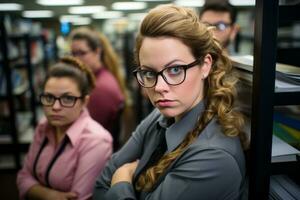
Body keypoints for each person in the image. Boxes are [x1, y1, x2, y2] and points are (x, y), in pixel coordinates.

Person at [93, 4, 249, 200]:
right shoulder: (162, 115)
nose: (159, 87)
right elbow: (99, 186)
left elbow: (110, 179)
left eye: (175, 70)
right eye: (149, 73)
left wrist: (122, 178)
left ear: (205, 66)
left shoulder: (214, 159)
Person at [17, 56, 113, 200]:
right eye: (49, 98)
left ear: (84, 102)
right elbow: (23, 177)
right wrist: (50, 195)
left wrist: (34, 190)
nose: (55, 107)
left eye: (67, 99)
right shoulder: (44, 126)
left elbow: (77, 198)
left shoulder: (97, 140)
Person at [70, 27, 129, 146]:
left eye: (82, 53)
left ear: (97, 52)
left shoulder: (100, 89)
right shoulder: (97, 79)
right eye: (73, 54)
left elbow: (86, 134)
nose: (76, 59)